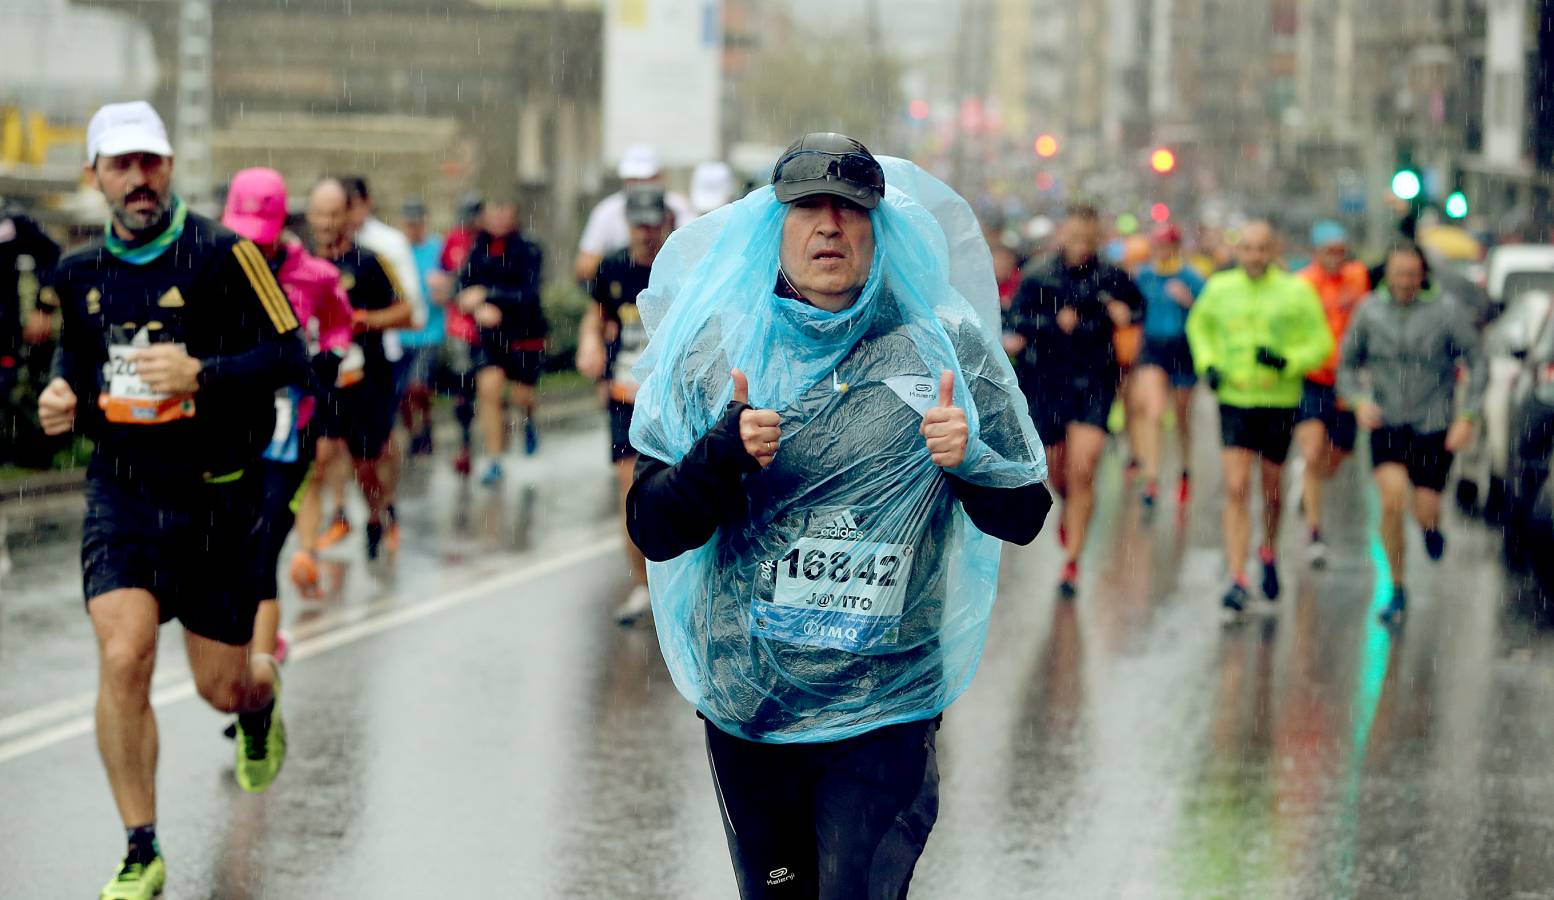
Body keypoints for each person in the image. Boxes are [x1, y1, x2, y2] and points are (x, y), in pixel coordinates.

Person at [627, 133, 1050, 899]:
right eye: (808, 208)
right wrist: (720, 454)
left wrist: (972, 462)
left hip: (884, 707)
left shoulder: (945, 351)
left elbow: (1023, 516)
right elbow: (653, 527)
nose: (830, 225)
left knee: (854, 889)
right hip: (753, 708)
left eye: (851, 209)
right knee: (783, 890)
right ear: (774, 227)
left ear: (878, 226)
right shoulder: (716, 348)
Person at [36, 101, 305, 900]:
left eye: (150, 160)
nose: (138, 177)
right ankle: (139, 847)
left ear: (172, 165)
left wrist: (206, 375)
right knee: (124, 657)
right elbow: (76, 365)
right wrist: (60, 396)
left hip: (220, 497)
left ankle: (257, 706)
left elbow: (295, 354)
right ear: (95, 177)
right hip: (124, 492)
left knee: (222, 685)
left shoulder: (224, 254)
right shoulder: (78, 273)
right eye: (120, 164)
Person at [220, 167, 354, 642]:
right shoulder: (214, 267)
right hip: (228, 424)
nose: (253, 246)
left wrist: (331, 354)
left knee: (264, 540)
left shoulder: (315, 275)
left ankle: (262, 662)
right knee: (232, 541)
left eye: (262, 235)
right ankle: (248, 643)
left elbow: (340, 321)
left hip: (290, 425)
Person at [1186, 221, 1332, 617]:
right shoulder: (1220, 288)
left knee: (1270, 489)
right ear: (1239, 251)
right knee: (1235, 487)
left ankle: (1268, 550)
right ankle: (1237, 577)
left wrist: (1289, 361)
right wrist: (1209, 364)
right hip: (1234, 398)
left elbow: (1321, 342)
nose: (1254, 256)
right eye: (1247, 248)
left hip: (1278, 401)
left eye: (1261, 249)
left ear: (1274, 250)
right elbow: (1199, 327)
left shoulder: (1296, 291)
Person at [1338, 241, 1484, 625]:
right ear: (1387, 273)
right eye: (1398, 273)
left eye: (1412, 275)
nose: (1405, 282)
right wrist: (1357, 400)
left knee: (1425, 508)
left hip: (1433, 423)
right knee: (1391, 501)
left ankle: (1431, 528)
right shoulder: (1369, 311)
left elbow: (1478, 360)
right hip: (1386, 422)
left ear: (1422, 276)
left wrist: (1467, 416)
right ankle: (1398, 587)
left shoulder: (1446, 312)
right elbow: (1347, 365)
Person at [1008, 204, 1144, 597]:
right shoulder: (1038, 275)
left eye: (1088, 239)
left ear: (1097, 239)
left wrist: (1123, 312)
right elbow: (1016, 321)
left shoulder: (1111, 275)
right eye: (1074, 238)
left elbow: (1137, 309)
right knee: (1056, 471)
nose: (1080, 246)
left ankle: (1072, 563)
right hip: (1046, 380)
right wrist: (1052, 324)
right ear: (1062, 236)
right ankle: (1070, 505)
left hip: (1094, 381)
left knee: (1084, 468)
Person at [300, 178, 413, 563]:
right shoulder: (303, 263)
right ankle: (308, 552)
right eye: (319, 213)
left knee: (366, 463)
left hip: (366, 378)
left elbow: (406, 312)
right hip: (325, 377)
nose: (325, 222)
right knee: (320, 456)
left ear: (349, 215)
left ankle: (377, 514)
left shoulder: (368, 262)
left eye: (333, 214)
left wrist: (363, 319)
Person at [576, 184, 672, 624]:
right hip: (624, 396)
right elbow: (599, 318)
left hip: (672, 400)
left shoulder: (681, 268)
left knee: (678, 493)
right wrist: (590, 346)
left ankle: (680, 586)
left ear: (666, 223)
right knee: (629, 492)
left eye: (654, 224)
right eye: (639, 225)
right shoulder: (612, 267)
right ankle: (641, 587)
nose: (646, 234)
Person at [455, 193, 546, 484]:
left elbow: (528, 294)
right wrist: (475, 304)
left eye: (504, 212)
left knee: (522, 395)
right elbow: (464, 286)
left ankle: (529, 419)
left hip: (525, 333)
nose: (498, 219)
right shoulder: (477, 249)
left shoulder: (529, 249)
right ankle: (494, 459)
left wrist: (489, 296)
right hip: (491, 337)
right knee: (489, 390)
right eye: (493, 213)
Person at [1294, 220, 1370, 564]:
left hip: (1348, 380)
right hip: (1312, 377)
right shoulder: (1303, 284)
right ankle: (1314, 531)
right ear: (1316, 253)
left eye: (1341, 252)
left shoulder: (1358, 278)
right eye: (1329, 252)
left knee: (1335, 459)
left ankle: (1308, 484)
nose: (1336, 258)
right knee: (1312, 452)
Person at [1131, 222, 1207, 509]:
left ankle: (1185, 468)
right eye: (1159, 246)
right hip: (1153, 348)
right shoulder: (1145, 276)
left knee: (1181, 415)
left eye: (1168, 246)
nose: (1163, 251)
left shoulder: (1190, 276)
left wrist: (1189, 302)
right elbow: (1132, 305)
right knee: (1154, 411)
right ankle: (1151, 477)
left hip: (1183, 349)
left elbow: (1210, 310)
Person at [573, 143, 695, 282]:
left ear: (659, 177)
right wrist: (620, 263)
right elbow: (584, 267)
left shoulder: (679, 207)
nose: (639, 185)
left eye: (646, 178)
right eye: (633, 178)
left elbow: (694, 256)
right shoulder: (606, 211)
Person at [1, 200, 61, 466]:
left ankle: (28, 456)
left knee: (13, 392)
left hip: (6, 332)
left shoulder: (10, 220)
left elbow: (51, 256)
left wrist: (43, 308)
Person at [398, 197, 447, 456]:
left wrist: (443, 287)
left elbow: (452, 281)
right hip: (401, 332)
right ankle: (413, 433)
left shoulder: (438, 249)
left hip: (430, 330)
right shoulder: (397, 251)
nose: (413, 229)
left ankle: (426, 422)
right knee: (402, 392)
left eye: (417, 224)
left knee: (418, 385)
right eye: (409, 224)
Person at [441, 192, 484, 475]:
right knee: (463, 388)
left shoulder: (488, 242)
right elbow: (445, 276)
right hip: (460, 325)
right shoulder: (454, 240)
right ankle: (465, 446)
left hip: (489, 324)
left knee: (489, 385)